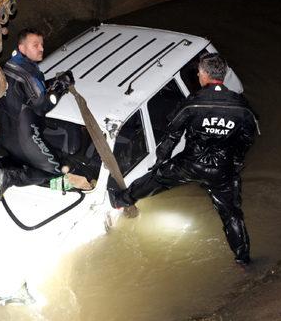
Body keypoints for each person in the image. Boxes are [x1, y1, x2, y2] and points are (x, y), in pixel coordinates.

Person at [111, 52, 259, 265]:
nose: (198, 75)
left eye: (199, 72)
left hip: (190, 164)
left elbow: (172, 136)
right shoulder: (241, 106)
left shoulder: (193, 103)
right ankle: (243, 259)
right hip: (222, 169)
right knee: (232, 215)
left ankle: (121, 200)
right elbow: (247, 139)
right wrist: (234, 163)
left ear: (205, 76)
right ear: (224, 75)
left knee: (157, 178)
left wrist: (160, 163)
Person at [0, 28, 74, 205]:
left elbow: (33, 92)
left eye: (42, 45)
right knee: (55, 171)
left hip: (7, 138)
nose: (41, 48)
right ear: (22, 48)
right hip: (27, 139)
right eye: (35, 45)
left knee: (24, 159)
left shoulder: (8, 68)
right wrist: (61, 87)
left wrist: (55, 82)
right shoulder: (28, 73)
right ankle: (11, 177)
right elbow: (43, 105)